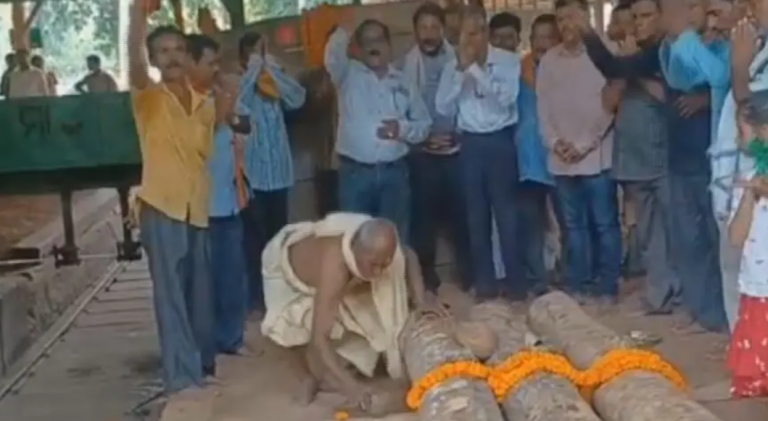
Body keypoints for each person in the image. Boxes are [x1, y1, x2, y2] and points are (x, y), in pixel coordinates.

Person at [127, 0, 231, 394]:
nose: (171, 57)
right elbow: (133, 61)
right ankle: (181, 378)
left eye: (178, 50)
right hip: (161, 207)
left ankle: (201, 366)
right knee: (170, 297)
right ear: (153, 59)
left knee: (199, 295)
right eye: (163, 51)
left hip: (197, 210)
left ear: (189, 58)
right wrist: (137, 16)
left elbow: (214, 129)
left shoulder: (203, 104)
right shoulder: (148, 98)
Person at [260, 213, 430, 409]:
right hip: (285, 271)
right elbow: (319, 340)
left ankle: (356, 362)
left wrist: (421, 301)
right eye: (373, 264)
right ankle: (309, 378)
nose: (378, 272)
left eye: (384, 264)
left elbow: (407, 253)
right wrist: (353, 388)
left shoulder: (377, 245)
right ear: (356, 251)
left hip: (337, 275)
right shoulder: (335, 269)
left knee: (371, 313)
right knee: (288, 327)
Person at [575, 0, 680, 315]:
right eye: (635, 18)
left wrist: (590, 37)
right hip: (635, 158)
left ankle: (685, 297)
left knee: (678, 230)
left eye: (646, 16)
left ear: (662, 17)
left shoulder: (666, 50)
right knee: (649, 234)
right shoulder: (635, 57)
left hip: (666, 158)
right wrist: (628, 70)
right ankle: (659, 295)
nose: (639, 23)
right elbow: (611, 96)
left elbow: (666, 97)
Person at [435, 5, 523, 300]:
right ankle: (485, 285)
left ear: (485, 32)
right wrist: (461, 71)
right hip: (470, 144)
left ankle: (515, 285)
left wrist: (474, 68)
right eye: (463, 36)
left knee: (507, 217)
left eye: (474, 33)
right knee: (476, 217)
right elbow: (443, 108)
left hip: (500, 141)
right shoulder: (453, 66)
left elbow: (506, 102)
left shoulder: (509, 61)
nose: (469, 42)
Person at [538, 0, 619, 305]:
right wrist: (555, 141)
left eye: (572, 17)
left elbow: (610, 105)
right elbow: (542, 109)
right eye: (560, 19)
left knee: (605, 224)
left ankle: (608, 286)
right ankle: (579, 284)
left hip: (596, 156)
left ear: (585, 18)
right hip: (561, 159)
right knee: (573, 227)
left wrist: (584, 144)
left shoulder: (603, 53)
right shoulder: (549, 61)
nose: (566, 25)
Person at [654, 0, 728, 333]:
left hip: (713, 159)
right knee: (688, 239)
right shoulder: (676, 45)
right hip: (679, 156)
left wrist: (706, 99)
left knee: (718, 239)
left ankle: (728, 317)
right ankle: (704, 312)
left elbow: (720, 79)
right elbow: (678, 78)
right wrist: (677, 40)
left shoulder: (730, 45)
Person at [324, 18, 432, 245]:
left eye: (379, 40)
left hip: (395, 173)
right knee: (354, 243)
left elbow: (424, 124)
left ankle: (393, 282)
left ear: (389, 45)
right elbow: (332, 56)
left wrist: (402, 129)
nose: (374, 46)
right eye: (367, 41)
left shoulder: (403, 81)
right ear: (359, 48)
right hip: (355, 174)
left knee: (395, 241)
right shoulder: (347, 74)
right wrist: (345, 28)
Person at [399, 3, 470, 293]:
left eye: (433, 27)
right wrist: (423, 138)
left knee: (463, 217)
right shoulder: (406, 64)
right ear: (415, 30)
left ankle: (470, 277)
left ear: (442, 30)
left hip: (457, 150)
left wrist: (458, 135)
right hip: (422, 154)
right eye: (423, 27)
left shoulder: (458, 59)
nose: (428, 34)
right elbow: (403, 111)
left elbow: (468, 101)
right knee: (423, 222)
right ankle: (426, 282)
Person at [238, 31, 307, 315]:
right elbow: (237, 102)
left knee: (278, 240)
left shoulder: (275, 80)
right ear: (244, 57)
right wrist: (255, 68)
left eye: (263, 51)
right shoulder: (240, 82)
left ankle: (278, 296)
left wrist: (270, 69)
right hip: (253, 177)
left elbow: (298, 98)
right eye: (255, 52)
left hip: (279, 175)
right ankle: (255, 299)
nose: (261, 56)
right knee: (253, 242)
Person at [493, 13, 559, 296]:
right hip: (528, 161)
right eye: (538, 37)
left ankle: (573, 275)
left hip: (565, 159)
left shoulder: (566, 69)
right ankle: (540, 278)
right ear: (529, 41)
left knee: (569, 222)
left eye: (548, 36)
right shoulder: (518, 71)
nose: (542, 43)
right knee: (531, 223)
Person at [725, 89, 768, 398]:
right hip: (758, 289)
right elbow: (735, 237)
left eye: (741, 131)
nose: (738, 140)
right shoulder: (750, 177)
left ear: (764, 131)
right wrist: (751, 196)